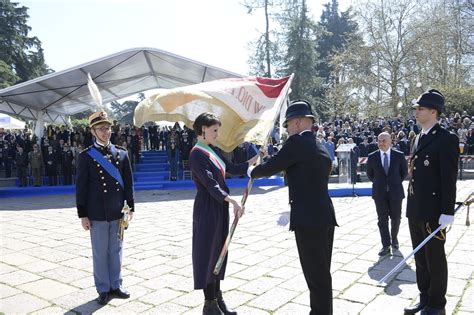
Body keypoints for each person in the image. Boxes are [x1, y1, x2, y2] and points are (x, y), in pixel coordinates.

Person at [250, 100, 338, 315]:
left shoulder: (296, 143)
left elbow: (272, 167)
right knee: (321, 273)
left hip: (309, 219)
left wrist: (251, 170)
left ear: (297, 122)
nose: (287, 130)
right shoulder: (318, 144)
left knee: (315, 273)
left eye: (288, 125)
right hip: (323, 214)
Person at [189, 112, 259, 315]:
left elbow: (231, 168)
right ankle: (208, 303)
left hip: (219, 206)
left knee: (220, 251)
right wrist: (232, 200)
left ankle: (217, 298)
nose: (217, 134)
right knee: (208, 253)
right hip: (207, 207)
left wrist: (255, 159)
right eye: (214, 130)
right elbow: (210, 184)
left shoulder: (211, 150)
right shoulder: (196, 153)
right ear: (203, 130)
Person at [404, 89, 459, 315]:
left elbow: (449, 179)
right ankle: (425, 298)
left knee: (434, 258)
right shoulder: (417, 137)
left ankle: (437, 304)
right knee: (420, 258)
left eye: (421, 108)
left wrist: (447, 212)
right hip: (416, 208)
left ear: (434, 112)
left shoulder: (447, 139)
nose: (416, 112)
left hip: (434, 211)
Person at [76, 111, 135, 306]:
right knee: (100, 252)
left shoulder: (122, 153)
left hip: (118, 211)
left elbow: (128, 183)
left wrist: (131, 208)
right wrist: (83, 214)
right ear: (93, 131)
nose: (106, 132)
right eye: (101, 129)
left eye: (108, 128)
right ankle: (103, 288)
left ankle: (116, 285)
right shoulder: (86, 157)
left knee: (116, 250)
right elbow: (81, 187)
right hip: (97, 213)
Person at [366, 132, 408, 256]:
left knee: (396, 218)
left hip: (396, 192)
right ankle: (385, 245)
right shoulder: (372, 156)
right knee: (382, 219)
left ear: (390, 141)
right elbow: (370, 174)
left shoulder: (399, 155)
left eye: (384, 140)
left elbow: (403, 172)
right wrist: (381, 184)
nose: (381, 143)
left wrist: (393, 183)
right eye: (379, 141)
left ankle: (394, 239)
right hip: (379, 193)